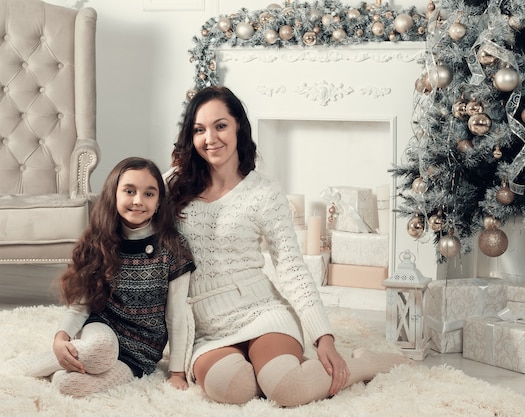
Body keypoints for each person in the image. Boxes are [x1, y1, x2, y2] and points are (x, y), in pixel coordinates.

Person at [166, 86, 411, 407]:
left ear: (239, 126)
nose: (210, 138)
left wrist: (324, 337)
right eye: (199, 130)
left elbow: (292, 268)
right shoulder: (174, 186)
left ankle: (365, 362)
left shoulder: (264, 192)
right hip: (207, 328)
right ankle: (262, 370)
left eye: (220, 125)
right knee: (232, 387)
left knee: (286, 390)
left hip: (261, 312)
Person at [7, 157, 196, 397]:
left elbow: (176, 314)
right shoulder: (100, 241)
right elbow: (81, 306)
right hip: (103, 328)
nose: (138, 201)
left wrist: (177, 372)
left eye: (149, 194)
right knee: (101, 349)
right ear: (114, 194)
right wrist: (60, 338)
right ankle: (37, 362)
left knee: (67, 386)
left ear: (159, 202)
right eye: (129, 191)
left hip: (141, 351)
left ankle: (66, 364)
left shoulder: (173, 248)